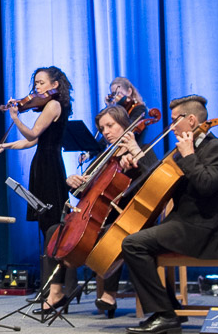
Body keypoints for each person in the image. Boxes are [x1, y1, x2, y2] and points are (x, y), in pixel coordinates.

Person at [121, 95, 218, 334]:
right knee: (135, 239)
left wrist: (190, 155)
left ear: (191, 120)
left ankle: (165, 315)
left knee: (133, 244)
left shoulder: (217, 149)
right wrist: (133, 169)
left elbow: (207, 186)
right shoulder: (181, 150)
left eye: (174, 120)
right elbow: (157, 182)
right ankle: (169, 308)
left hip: (203, 229)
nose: (171, 127)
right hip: (182, 225)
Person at [0, 66, 73, 314]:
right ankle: (53, 291)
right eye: (35, 83)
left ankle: (57, 292)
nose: (36, 88)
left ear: (55, 85)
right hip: (43, 164)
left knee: (52, 229)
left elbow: (33, 131)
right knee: (46, 228)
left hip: (50, 167)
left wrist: (15, 117)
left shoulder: (53, 105)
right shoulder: (50, 105)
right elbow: (33, 141)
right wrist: (5, 146)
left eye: (41, 83)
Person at [64, 105, 157, 316]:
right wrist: (73, 182)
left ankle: (109, 294)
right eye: (102, 128)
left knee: (113, 235)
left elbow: (154, 177)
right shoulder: (105, 156)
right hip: (103, 217)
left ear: (124, 124)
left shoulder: (144, 148)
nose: (105, 132)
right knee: (58, 231)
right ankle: (56, 293)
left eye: (110, 125)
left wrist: (135, 151)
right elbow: (83, 192)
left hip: (136, 217)